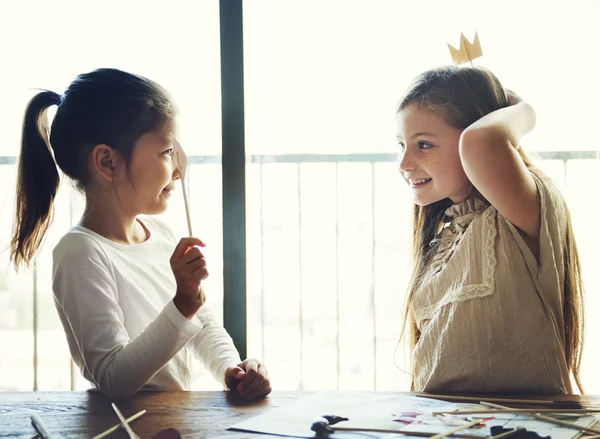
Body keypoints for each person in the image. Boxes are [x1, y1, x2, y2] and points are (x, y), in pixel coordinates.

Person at [10, 68, 271, 400]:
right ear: (107, 162)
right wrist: (181, 304)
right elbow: (113, 377)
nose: (178, 169)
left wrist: (231, 369)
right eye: (166, 153)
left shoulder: (159, 234)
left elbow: (200, 320)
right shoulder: (81, 253)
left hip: (170, 423)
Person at [396, 65, 584, 393]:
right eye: (402, 145)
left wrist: (520, 108)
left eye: (424, 145)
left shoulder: (520, 208)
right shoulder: (445, 234)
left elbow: (483, 143)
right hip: (442, 423)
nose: (404, 163)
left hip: (522, 423)